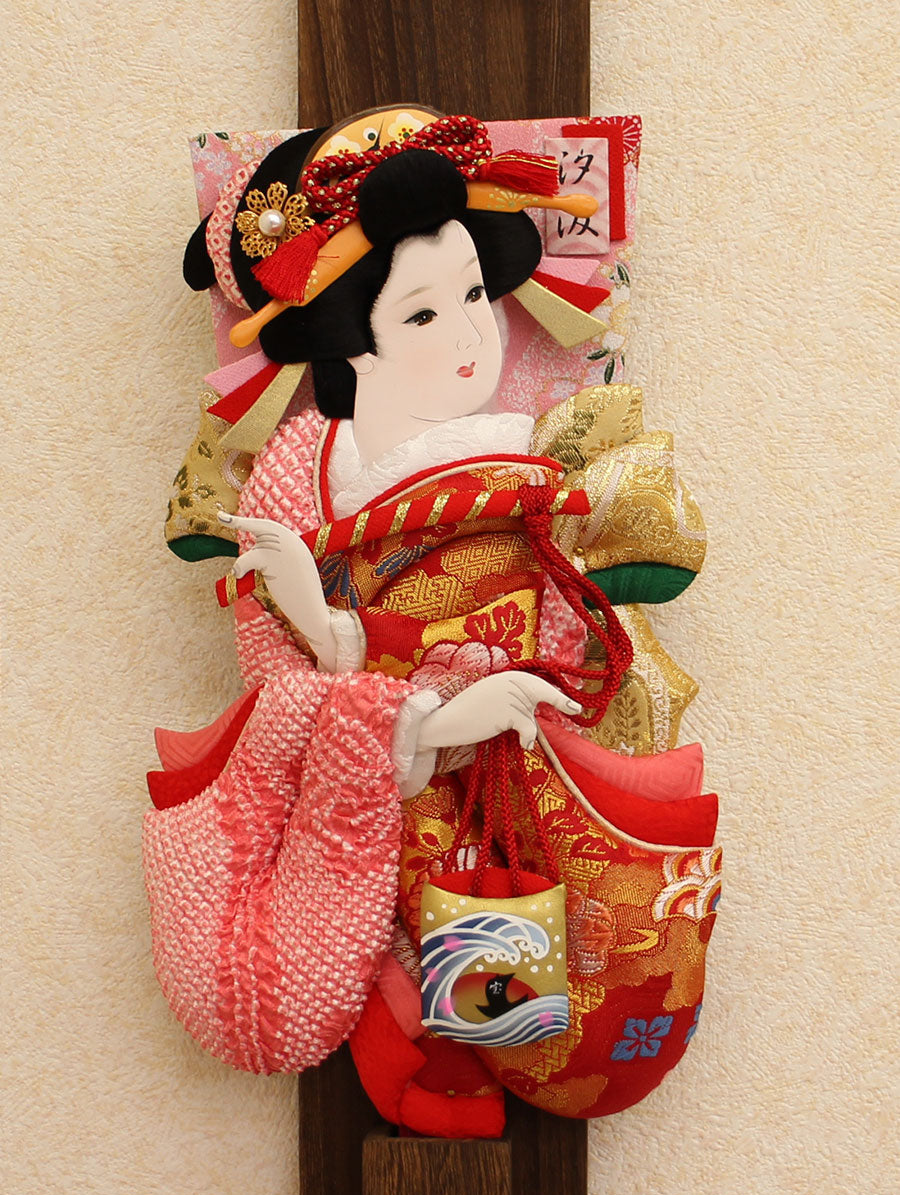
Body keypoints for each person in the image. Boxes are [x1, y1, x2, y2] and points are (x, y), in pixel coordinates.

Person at [145, 113, 720, 1134]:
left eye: (474, 295)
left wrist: (486, 688)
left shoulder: (525, 451)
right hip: (379, 772)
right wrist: (346, 647)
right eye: (421, 314)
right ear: (349, 343)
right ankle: (422, 1044)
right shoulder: (298, 470)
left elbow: (558, 623)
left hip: (507, 767)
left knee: (512, 931)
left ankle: (493, 1048)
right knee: (410, 930)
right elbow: (281, 684)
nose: (468, 337)